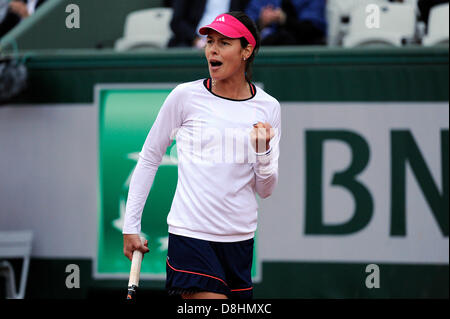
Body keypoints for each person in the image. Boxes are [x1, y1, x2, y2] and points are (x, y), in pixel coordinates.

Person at [123, 11, 281, 299]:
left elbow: (266, 189)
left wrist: (264, 152)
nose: (213, 50)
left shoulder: (269, 108)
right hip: (191, 235)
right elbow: (149, 157)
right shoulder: (184, 97)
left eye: (224, 42)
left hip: (240, 241)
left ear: (247, 50)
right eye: (210, 41)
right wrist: (130, 226)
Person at [168, 0, 250, 48]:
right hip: (191, 43)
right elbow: (176, 22)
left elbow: (245, 20)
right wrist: (196, 40)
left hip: (228, 42)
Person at [246, 0, 327, 45]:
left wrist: (285, 19)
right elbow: (245, 29)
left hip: (301, 56)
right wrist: (261, 22)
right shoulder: (259, 2)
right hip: (266, 56)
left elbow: (313, 30)